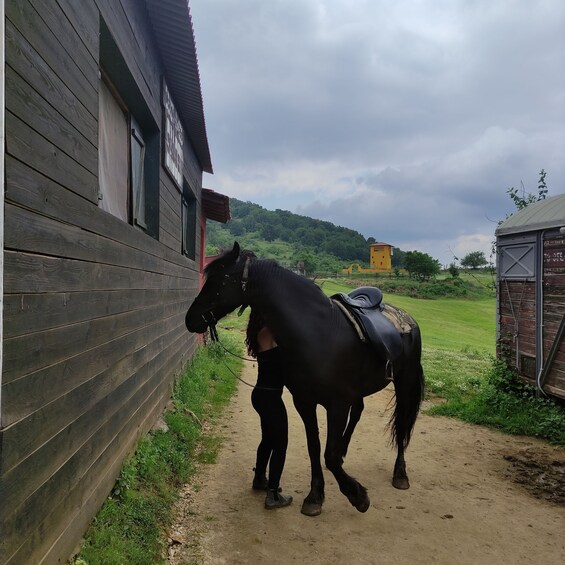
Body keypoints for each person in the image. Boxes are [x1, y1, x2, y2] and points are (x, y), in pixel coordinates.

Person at [246, 310, 293, 509]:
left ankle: (259, 480)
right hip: (269, 397)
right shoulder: (270, 333)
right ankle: (272, 494)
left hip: (264, 394)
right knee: (280, 443)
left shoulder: (262, 331)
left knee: (268, 439)